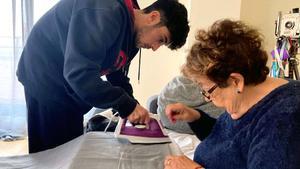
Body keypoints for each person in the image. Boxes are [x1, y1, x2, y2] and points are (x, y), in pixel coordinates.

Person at [17, 0, 189, 153]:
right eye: (160, 39)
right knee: (52, 153)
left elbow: (117, 75)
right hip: (44, 74)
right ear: (153, 17)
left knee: (70, 147)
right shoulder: (104, 10)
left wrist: (134, 105)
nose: (155, 48)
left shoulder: (133, 36)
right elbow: (80, 74)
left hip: (69, 82)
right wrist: (125, 105)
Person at [163, 19, 300, 169]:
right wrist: (196, 118)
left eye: (209, 91)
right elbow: (229, 142)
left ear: (236, 81)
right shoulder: (246, 97)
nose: (206, 97)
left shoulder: (283, 122)